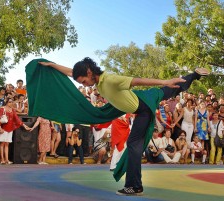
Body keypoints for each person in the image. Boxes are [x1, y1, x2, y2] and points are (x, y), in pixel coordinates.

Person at [39, 57, 209, 196]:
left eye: (83, 81)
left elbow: (137, 81)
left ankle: (134, 186)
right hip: (142, 98)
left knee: (134, 144)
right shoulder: (95, 81)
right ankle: (194, 75)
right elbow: (70, 72)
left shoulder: (111, 80)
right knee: (169, 90)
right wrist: (51, 65)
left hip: (143, 107)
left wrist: (165, 79)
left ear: (89, 72)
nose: (84, 85)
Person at [0, 97, 30, 164]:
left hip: (10, 129)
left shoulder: (12, 110)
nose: (11, 103)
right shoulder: (2, 109)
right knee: (2, 143)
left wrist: (24, 126)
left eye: (11, 102)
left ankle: (6, 160)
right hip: (3, 128)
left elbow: (17, 119)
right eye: (9, 102)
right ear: (6, 102)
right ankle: (2, 159)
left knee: (7, 144)